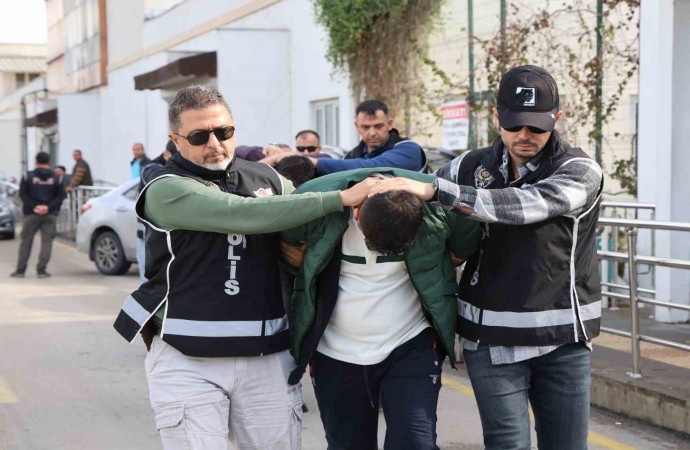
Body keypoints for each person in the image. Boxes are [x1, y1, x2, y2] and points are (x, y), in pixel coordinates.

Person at [112, 85, 373, 450]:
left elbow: (305, 226)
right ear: (175, 141)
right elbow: (240, 213)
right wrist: (341, 197)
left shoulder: (269, 179)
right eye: (199, 136)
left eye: (224, 132)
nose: (215, 144)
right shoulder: (165, 188)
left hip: (268, 358)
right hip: (186, 359)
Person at [371, 65, 604, 450]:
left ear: (557, 118)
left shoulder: (579, 170)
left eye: (536, 126)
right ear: (497, 117)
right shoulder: (467, 167)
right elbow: (419, 205)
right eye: (514, 125)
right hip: (489, 336)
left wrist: (439, 192)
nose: (524, 135)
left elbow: (524, 205)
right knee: (506, 443)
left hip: (562, 339)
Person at [282, 167, 479, 449]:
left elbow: (459, 250)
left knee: (416, 443)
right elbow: (290, 249)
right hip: (334, 350)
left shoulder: (441, 203)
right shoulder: (314, 199)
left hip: (410, 342)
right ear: (357, 214)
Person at [263, 101, 426, 174]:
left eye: (378, 126)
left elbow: (371, 167)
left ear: (390, 124)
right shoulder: (352, 155)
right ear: (357, 126)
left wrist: (313, 161)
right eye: (365, 127)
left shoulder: (408, 149)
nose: (372, 133)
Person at [10, 152, 65, 278]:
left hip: (31, 214)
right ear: (49, 162)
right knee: (47, 242)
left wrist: (35, 206)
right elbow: (60, 196)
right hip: (49, 214)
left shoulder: (27, 176)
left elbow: (23, 194)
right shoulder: (58, 178)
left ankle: (20, 270)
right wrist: (47, 207)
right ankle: (41, 270)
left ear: (36, 162)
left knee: (26, 241)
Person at [135, 140, 179, 282]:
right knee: (148, 279)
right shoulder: (151, 168)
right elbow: (162, 179)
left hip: (166, 233)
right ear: (166, 154)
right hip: (147, 232)